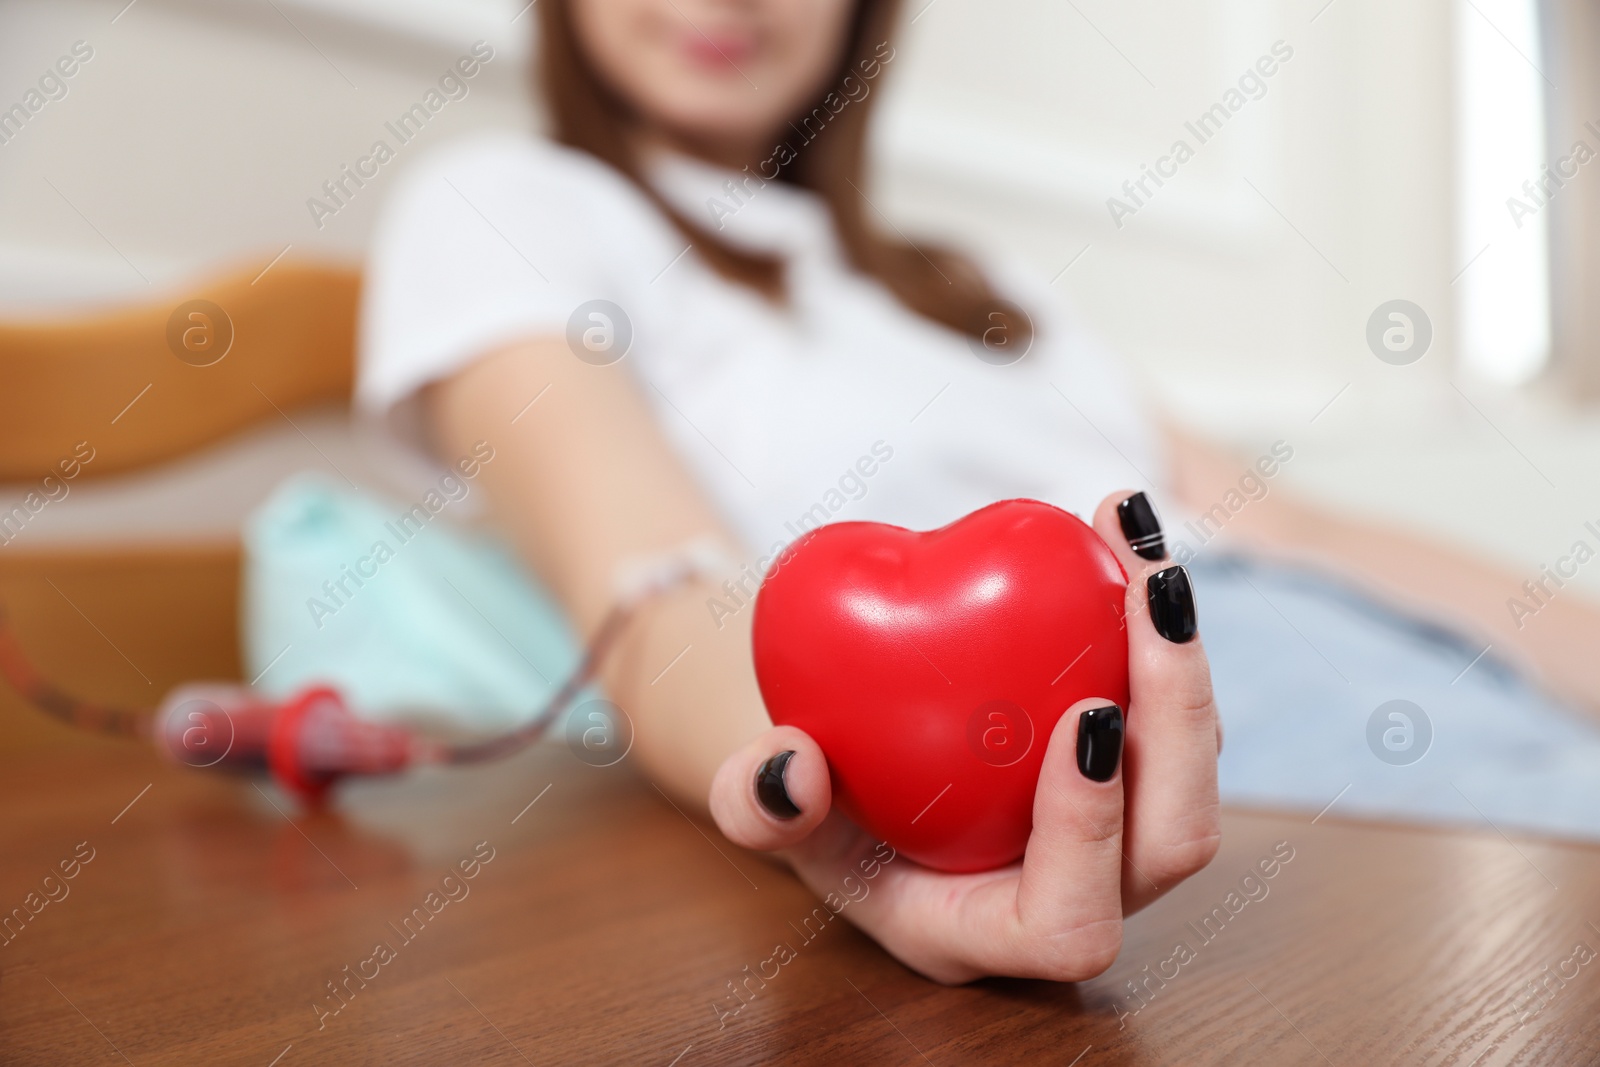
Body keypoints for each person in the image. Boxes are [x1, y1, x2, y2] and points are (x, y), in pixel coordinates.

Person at [356, 0, 1600, 982]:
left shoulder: (975, 281)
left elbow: (1286, 528)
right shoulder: (507, 207)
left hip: (1375, 655)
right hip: (1200, 742)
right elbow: (650, 589)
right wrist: (849, 833)